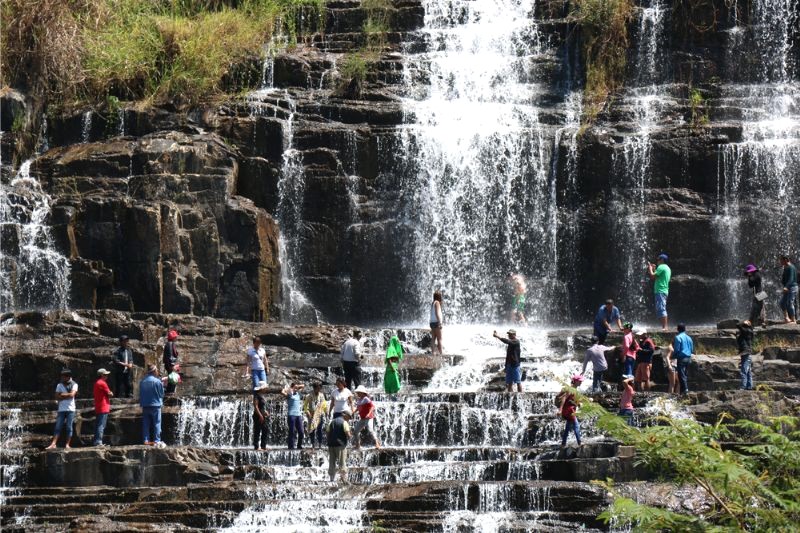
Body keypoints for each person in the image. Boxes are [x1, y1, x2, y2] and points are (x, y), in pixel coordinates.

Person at [46, 369, 78, 450]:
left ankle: (67, 444)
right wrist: (67, 395)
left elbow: (72, 395)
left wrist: (62, 394)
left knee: (69, 427)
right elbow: (56, 396)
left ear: (68, 377)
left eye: (63, 376)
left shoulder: (75, 384)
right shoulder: (59, 385)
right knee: (58, 427)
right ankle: (53, 444)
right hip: (61, 409)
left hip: (71, 409)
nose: (62, 378)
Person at [139, 364, 165, 446]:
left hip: (145, 405)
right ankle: (157, 440)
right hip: (156, 405)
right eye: (156, 370)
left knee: (146, 423)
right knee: (157, 423)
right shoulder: (157, 381)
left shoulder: (142, 381)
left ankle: (146, 440)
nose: (157, 372)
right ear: (154, 371)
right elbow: (161, 394)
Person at [557, 374, 583, 448]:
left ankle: (563, 443)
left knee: (567, 428)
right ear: (575, 381)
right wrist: (560, 410)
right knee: (576, 426)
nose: (581, 382)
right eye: (580, 381)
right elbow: (564, 398)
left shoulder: (574, 389)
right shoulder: (571, 389)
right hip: (569, 411)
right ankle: (579, 443)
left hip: (569, 410)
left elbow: (572, 400)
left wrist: (578, 404)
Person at [327, 408, 352, 483]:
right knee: (342, 462)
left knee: (332, 462)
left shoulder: (331, 422)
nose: (349, 419)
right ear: (345, 415)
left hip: (331, 445)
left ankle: (331, 479)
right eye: (349, 417)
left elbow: (327, 432)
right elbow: (348, 434)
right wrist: (351, 437)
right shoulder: (344, 423)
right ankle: (344, 479)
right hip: (340, 445)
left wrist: (329, 441)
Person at [667, 324, 694, 395]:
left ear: (677, 329)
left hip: (681, 358)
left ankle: (685, 390)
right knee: (685, 375)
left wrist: (673, 356)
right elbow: (692, 349)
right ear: (685, 329)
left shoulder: (678, 337)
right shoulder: (689, 338)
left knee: (681, 375)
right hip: (688, 358)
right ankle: (683, 391)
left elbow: (677, 349)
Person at [647, 253, 672, 331]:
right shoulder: (667, 268)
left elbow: (652, 276)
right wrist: (654, 269)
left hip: (660, 290)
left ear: (662, 260)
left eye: (658, 259)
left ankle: (665, 327)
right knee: (660, 308)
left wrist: (650, 268)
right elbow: (657, 276)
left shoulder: (661, 267)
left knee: (661, 308)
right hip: (664, 290)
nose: (657, 261)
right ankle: (664, 326)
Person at [352, 385, 381, 450]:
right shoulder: (359, 400)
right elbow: (358, 407)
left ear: (362, 392)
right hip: (362, 418)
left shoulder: (366, 399)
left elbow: (372, 406)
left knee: (370, 430)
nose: (357, 393)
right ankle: (358, 445)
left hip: (369, 418)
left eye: (359, 392)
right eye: (357, 392)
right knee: (355, 431)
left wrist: (368, 413)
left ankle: (377, 443)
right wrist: (354, 411)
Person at [304, 382, 328, 449]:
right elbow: (305, 406)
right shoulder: (309, 396)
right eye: (317, 389)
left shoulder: (321, 395)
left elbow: (324, 404)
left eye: (319, 389)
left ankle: (320, 445)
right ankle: (313, 444)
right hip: (311, 415)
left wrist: (326, 412)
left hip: (320, 414)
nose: (318, 390)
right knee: (312, 430)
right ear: (314, 388)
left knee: (319, 430)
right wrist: (307, 412)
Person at [93, 368, 113, 446]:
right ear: (102, 375)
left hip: (99, 406)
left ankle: (96, 441)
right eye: (105, 375)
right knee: (101, 425)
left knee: (98, 424)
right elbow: (110, 394)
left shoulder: (96, 383)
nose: (107, 376)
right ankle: (98, 441)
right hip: (103, 406)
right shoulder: (102, 383)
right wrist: (111, 393)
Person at [281, 382, 305, 449]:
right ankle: (291, 446)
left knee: (301, 432)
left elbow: (303, 386)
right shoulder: (289, 395)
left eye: (297, 388)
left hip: (298, 415)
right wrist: (290, 388)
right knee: (292, 431)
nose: (296, 389)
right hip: (291, 415)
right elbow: (282, 391)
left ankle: (299, 445)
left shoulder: (298, 394)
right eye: (295, 388)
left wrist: (297, 386)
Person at [736, 320, 755, 390]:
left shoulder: (745, 331)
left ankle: (743, 386)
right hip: (747, 352)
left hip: (745, 352)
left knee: (743, 370)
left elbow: (737, 325)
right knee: (748, 371)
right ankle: (749, 386)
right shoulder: (750, 332)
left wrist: (743, 322)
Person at [252, 380, 270, 450]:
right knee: (257, 430)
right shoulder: (256, 396)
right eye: (265, 388)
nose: (266, 389)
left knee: (265, 430)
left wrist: (265, 412)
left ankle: (263, 446)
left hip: (262, 415)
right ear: (261, 388)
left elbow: (261, 407)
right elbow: (256, 406)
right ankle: (256, 446)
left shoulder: (261, 396)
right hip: (257, 415)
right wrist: (260, 415)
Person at [779, 256, 798, 323]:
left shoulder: (791, 267)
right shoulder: (785, 267)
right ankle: (787, 318)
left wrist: (786, 286)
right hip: (787, 287)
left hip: (792, 287)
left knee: (790, 303)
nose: (780, 262)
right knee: (782, 303)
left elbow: (791, 278)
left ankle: (793, 320)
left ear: (786, 260)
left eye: (781, 260)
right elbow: (784, 279)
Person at [162, 329, 180, 395]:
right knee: (173, 379)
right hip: (171, 365)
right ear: (173, 337)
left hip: (170, 365)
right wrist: (172, 365)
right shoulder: (170, 344)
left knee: (172, 378)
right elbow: (170, 356)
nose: (176, 337)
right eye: (175, 336)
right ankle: (170, 392)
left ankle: (169, 392)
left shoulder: (170, 344)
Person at [430, 291, 444, 355]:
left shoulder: (433, 303)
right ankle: (441, 353)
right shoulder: (437, 303)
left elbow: (432, 313)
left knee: (433, 338)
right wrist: (440, 322)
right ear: (439, 297)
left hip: (432, 322)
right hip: (436, 322)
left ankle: (433, 352)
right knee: (439, 339)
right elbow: (437, 313)